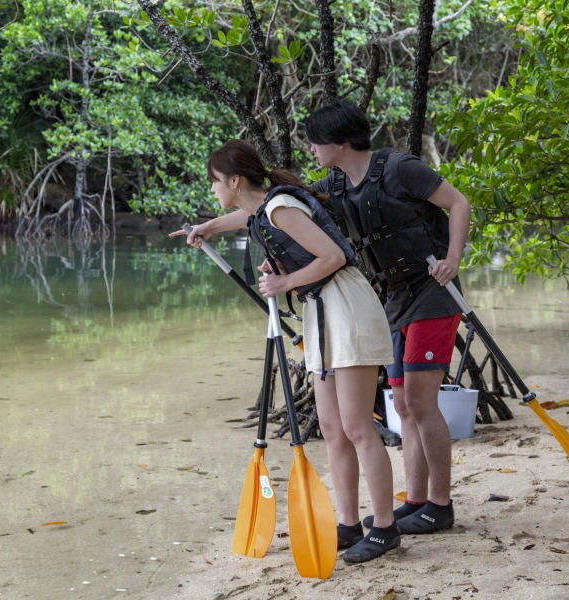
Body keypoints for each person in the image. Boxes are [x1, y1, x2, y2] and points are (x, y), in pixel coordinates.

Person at [182, 139, 399, 563]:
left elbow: (335, 255)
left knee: (358, 428)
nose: (213, 190)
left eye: (214, 182)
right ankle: (350, 524)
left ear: (235, 180)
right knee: (333, 430)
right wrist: (209, 228)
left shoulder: (280, 205)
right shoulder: (265, 207)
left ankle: (386, 528)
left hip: (346, 307)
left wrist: (285, 282)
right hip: (322, 311)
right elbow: (247, 213)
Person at [305, 99, 471, 535]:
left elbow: (458, 203)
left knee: (419, 401)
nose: (311, 150)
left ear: (341, 142)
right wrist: (212, 226)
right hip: (393, 300)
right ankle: (416, 500)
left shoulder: (400, 169)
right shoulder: (337, 186)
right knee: (400, 404)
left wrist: (453, 258)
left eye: (315, 141)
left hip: (434, 292)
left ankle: (441, 503)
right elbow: (283, 205)